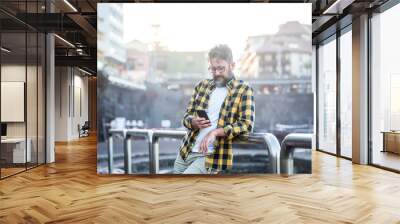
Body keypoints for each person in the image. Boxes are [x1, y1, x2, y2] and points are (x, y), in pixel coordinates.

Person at [173, 44, 255, 174]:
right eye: (213, 69)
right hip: (185, 152)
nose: (216, 73)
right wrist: (192, 121)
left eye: (221, 68)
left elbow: (246, 124)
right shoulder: (201, 86)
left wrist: (216, 132)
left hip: (210, 157)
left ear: (232, 65)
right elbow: (186, 117)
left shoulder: (243, 89)